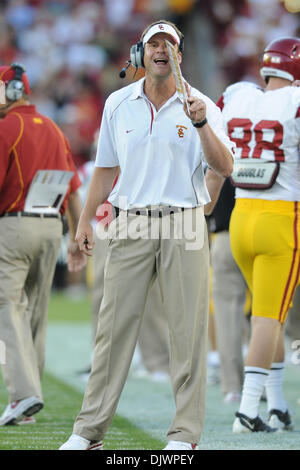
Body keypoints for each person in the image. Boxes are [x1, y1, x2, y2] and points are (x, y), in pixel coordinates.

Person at [60, 19, 234, 451]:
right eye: (153, 43)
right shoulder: (119, 103)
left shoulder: (204, 105)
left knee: (187, 333)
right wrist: (83, 224)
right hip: (130, 219)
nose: (161, 50)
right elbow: (105, 167)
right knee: (113, 330)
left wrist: (200, 124)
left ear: (179, 55)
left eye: (168, 44)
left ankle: (183, 436)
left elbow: (225, 167)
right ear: (141, 53)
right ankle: (88, 431)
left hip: (184, 220)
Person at [216, 37, 300, 433]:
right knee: (269, 317)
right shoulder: (294, 103)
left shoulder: (238, 96)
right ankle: (248, 410)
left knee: (271, 315)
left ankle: (277, 405)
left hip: (240, 219)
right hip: (281, 219)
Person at [0, 63, 84, 426]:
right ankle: (26, 403)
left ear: (13, 91)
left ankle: (22, 394)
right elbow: (74, 186)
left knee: (7, 307)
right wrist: (79, 234)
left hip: (15, 226)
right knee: (35, 312)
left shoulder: (6, 128)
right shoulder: (53, 128)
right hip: (53, 228)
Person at [205, 172, 248, 403]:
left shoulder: (217, 141)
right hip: (265, 226)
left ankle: (233, 386)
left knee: (227, 315)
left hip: (224, 235)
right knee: (267, 314)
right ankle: (265, 383)